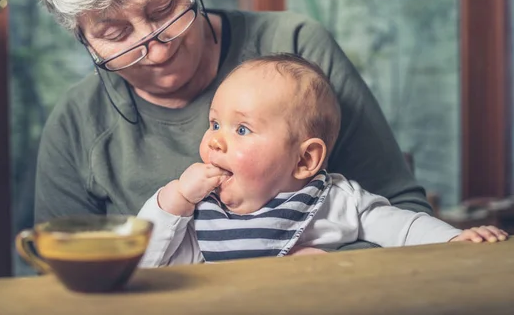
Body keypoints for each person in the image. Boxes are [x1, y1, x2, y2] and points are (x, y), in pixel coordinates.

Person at [25, 0, 431, 251]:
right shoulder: (79, 124)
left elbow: (402, 209)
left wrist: (326, 272)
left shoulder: (294, 49)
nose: (158, 50)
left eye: (165, 9)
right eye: (115, 36)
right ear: (83, 38)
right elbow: (64, 276)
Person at [137, 54, 508, 267]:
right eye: (215, 123)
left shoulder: (335, 202)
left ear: (305, 159)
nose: (215, 139)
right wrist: (174, 200)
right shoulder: (200, 211)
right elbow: (146, 261)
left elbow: (406, 228)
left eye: (242, 130)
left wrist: (455, 239)